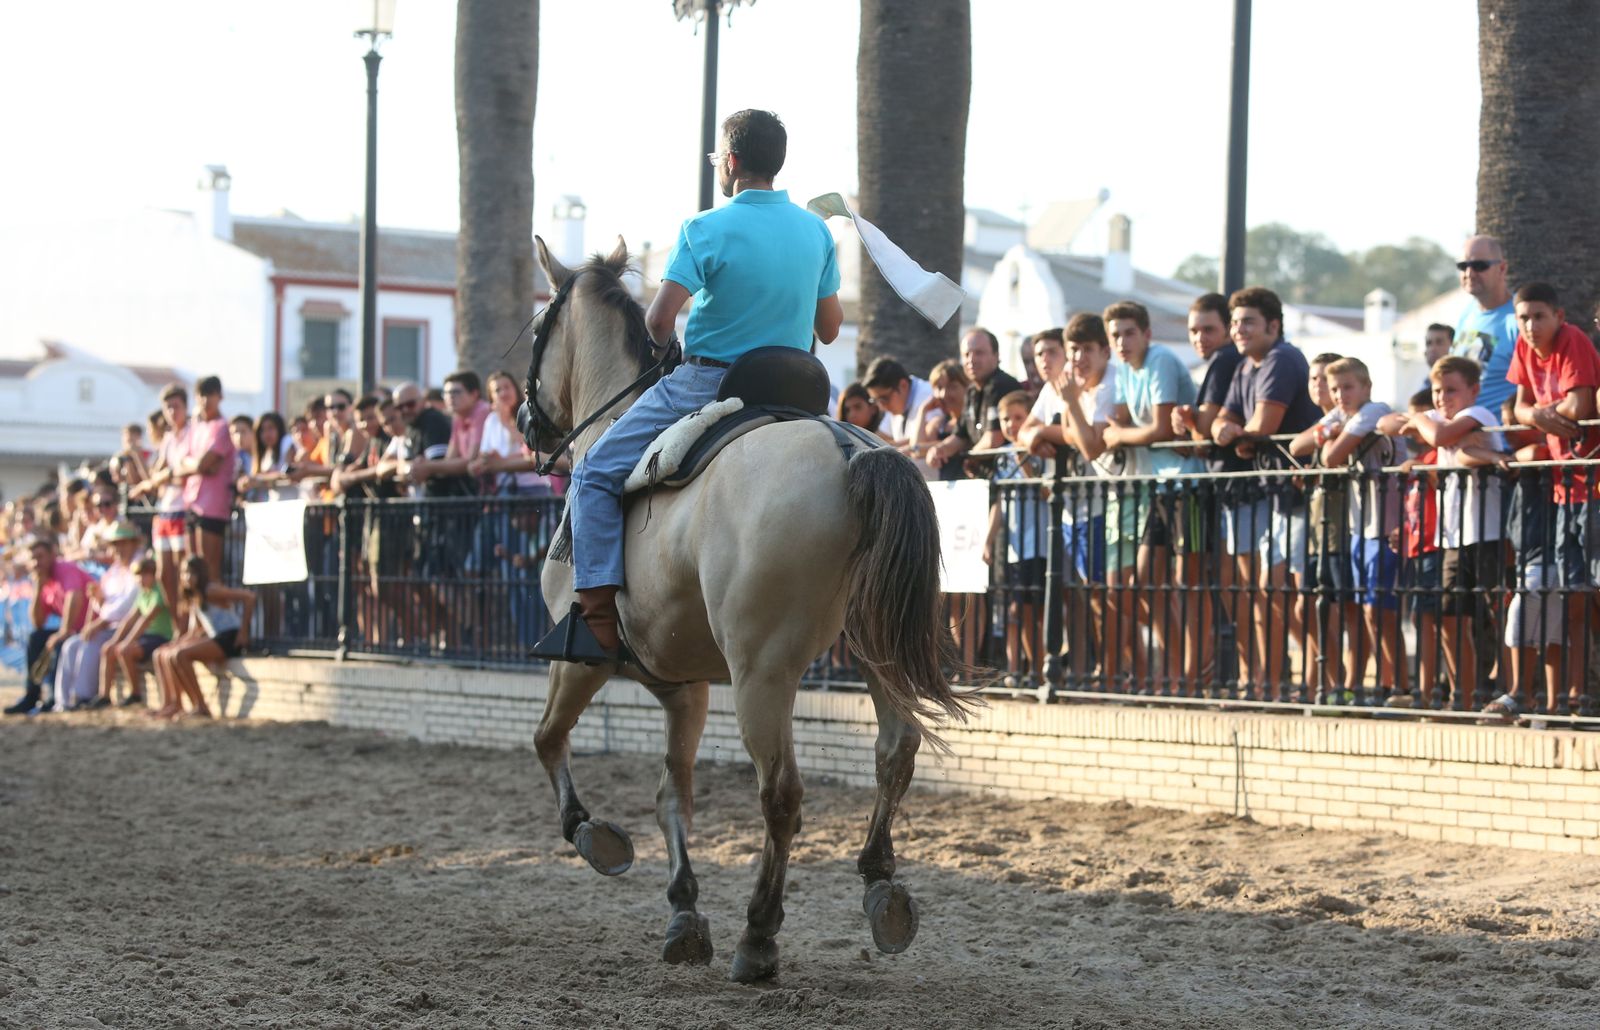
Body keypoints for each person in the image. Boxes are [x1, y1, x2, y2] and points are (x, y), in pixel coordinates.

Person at [551, 108, 842, 658]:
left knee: (591, 472)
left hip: (712, 383)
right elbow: (829, 329)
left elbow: (659, 321)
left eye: (718, 159)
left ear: (730, 162)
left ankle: (595, 621)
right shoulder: (815, 231)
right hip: (797, 389)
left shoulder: (705, 228)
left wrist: (664, 353)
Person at [1211, 286, 1323, 701]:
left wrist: (1242, 434)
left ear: (1273, 326)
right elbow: (1225, 424)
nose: (1238, 330)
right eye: (1235, 322)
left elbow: (1261, 425)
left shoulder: (1281, 358)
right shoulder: (1245, 366)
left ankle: (1320, 679)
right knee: (1267, 590)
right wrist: (1235, 432)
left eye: (1248, 322)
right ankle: (1269, 684)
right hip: (1272, 493)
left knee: (1293, 595)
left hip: (1297, 493)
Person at [1507, 281, 1600, 717]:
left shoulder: (1573, 340)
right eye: (1523, 317)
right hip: (1565, 487)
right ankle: (1577, 695)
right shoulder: (1525, 349)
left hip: (1593, 484)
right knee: (1574, 593)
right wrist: (1543, 415)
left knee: (1593, 590)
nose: (1530, 326)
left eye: (1539, 316)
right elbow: (1518, 408)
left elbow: (1580, 404)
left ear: (1559, 317)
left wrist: (1542, 414)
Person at [1018, 313, 1117, 685]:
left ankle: (1109, 671)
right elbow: (1025, 432)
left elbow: (1091, 444)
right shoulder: (1054, 386)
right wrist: (1045, 433)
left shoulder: (1107, 384)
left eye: (1086, 349)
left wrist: (1061, 425)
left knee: (1102, 596)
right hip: (1068, 510)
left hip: (1099, 503)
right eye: (1074, 350)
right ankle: (1080, 670)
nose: (1078, 358)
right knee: (1076, 594)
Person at [1306, 357, 1403, 706]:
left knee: (1381, 609)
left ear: (1366, 387)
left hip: (1387, 521)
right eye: (1334, 389)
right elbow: (1297, 446)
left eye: (1347, 387)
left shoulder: (1372, 411)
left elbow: (1330, 457)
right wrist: (1324, 430)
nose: (1339, 395)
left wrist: (1328, 435)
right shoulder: (1341, 415)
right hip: (1361, 525)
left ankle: (1395, 684)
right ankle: (1386, 683)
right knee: (1368, 609)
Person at [1171, 293, 1245, 693]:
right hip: (1222, 487)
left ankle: (1197, 677)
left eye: (1209, 329)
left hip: (1222, 487)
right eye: (1194, 330)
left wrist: (1185, 421)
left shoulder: (1223, 360)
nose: (1200, 337)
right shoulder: (1226, 362)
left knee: (1211, 586)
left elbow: (1203, 433)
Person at [1289, 352, 1353, 701]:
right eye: (1312, 379)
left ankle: (1336, 681)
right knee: (1308, 607)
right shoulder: (1325, 424)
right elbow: (1297, 445)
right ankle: (1319, 679)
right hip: (1316, 524)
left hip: (1339, 524)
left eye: (1323, 380)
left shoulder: (1345, 420)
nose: (1317, 386)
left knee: (1336, 610)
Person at [1387, 390, 1445, 710]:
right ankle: (1426, 690)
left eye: (1421, 419)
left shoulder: (1435, 456)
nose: (1414, 427)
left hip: (1435, 545)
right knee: (1422, 618)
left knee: (1437, 621)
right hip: (1416, 546)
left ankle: (1432, 691)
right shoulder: (1418, 460)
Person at [985, 391, 1048, 686]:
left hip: (1038, 544)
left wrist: (1023, 454)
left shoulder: (1036, 451)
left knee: (1030, 611)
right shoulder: (1003, 455)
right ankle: (1015, 670)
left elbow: (1041, 487)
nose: (1011, 424)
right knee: (1014, 610)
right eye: (1006, 419)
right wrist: (988, 539)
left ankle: (1035, 670)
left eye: (1018, 418)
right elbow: (1000, 501)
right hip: (1013, 547)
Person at [151, 555, 255, 720]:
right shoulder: (195, 595)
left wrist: (243, 632)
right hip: (217, 637)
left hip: (230, 637)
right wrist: (175, 644)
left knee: (180, 655)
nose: (187, 577)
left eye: (191, 573)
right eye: (184, 573)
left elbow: (249, 597)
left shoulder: (210, 590)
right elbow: (194, 631)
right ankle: (172, 703)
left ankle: (200, 705)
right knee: (163, 653)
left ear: (201, 574)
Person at [53, 522, 143, 710]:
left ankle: (83, 695)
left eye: (123, 543)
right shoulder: (114, 571)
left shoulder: (139, 567)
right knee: (71, 645)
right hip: (111, 625)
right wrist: (98, 600)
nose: (119, 548)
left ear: (134, 544)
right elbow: (105, 603)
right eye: (115, 544)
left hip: (129, 627)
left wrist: (100, 621)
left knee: (91, 643)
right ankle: (63, 701)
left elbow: (128, 604)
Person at [3, 535, 91, 715]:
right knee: (35, 638)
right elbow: (38, 622)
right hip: (74, 629)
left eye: (40, 556)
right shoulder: (43, 579)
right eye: (33, 558)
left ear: (52, 555)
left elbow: (75, 597)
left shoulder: (65, 568)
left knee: (59, 642)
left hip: (90, 627)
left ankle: (53, 697)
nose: (37, 562)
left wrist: (64, 631)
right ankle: (31, 696)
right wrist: (37, 587)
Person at [130, 384, 191, 614]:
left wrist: (159, 479)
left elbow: (177, 471)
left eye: (176, 406)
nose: (172, 412)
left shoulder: (192, 434)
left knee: (182, 573)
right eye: (168, 407)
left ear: (185, 407)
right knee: (164, 575)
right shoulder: (168, 439)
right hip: (164, 512)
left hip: (183, 510)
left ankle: (187, 626)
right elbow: (157, 476)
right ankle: (178, 625)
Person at [926, 328, 1020, 473]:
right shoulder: (971, 391)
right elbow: (960, 436)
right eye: (966, 354)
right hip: (987, 479)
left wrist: (969, 457)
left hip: (1010, 476)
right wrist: (939, 450)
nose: (971, 360)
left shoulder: (1001, 384)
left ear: (996, 356)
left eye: (979, 353)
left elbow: (994, 438)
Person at [175, 375, 237, 582]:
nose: (205, 400)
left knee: (209, 571)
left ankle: (218, 613)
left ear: (220, 396)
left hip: (213, 507)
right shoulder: (195, 428)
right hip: (191, 503)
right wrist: (198, 465)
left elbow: (203, 464)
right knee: (192, 572)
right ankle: (198, 614)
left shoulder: (222, 428)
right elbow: (181, 464)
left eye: (210, 394)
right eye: (201, 394)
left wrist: (195, 465)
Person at [1451, 235, 1519, 412]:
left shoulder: (1519, 320)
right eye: (1463, 266)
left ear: (1502, 268)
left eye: (1480, 266)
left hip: (1499, 436)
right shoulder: (1466, 314)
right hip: (1461, 435)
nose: (1469, 273)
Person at [99, 555, 173, 708]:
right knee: (108, 649)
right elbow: (130, 619)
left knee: (124, 650)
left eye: (145, 575)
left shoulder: (159, 590)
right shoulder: (143, 592)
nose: (141, 579)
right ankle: (104, 695)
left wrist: (127, 642)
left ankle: (135, 693)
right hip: (147, 636)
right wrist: (115, 640)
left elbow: (145, 620)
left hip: (162, 636)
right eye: (138, 575)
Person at [908, 359, 971, 470]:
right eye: (939, 388)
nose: (944, 394)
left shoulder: (972, 421)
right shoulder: (938, 423)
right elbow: (916, 450)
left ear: (967, 387)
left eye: (952, 387)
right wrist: (922, 411)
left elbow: (917, 448)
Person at [862, 357, 933, 448]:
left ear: (903, 385)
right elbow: (880, 437)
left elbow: (927, 439)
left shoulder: (929, 396)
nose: (881, 407)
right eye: (876, 401)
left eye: (884, 399)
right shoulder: (895, 404)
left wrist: (884, 448)